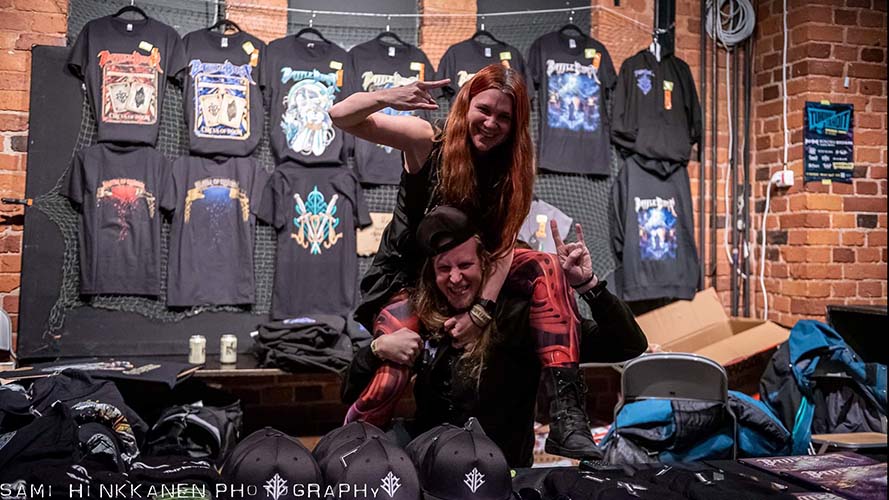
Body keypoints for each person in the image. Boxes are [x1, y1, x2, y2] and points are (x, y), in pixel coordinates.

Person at [330, 64, 598, 458]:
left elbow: (505, 245)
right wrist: (389, 96)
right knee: (392, 374)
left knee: (545, 264)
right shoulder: (426, 139)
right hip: (408, 277)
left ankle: (567, 415)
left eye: (504, 117)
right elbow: (340, 116)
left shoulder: (514, 168)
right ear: (466, 104)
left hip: (467, 276)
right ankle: (350, 454)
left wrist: (481, 311)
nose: (491, 123)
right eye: (484, 110)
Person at [341, 206, 648, 467]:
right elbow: (348, 391)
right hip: (431, 464)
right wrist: (377, 348)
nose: (455, 278)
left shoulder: (524, 315)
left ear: (486, 265)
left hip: (499, 472)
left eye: (465, 265)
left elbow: (628, 345)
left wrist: (589, 285)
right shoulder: (425, 315)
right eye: (444, 268)